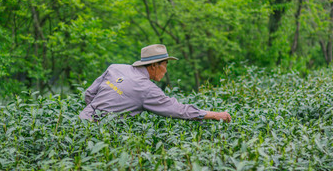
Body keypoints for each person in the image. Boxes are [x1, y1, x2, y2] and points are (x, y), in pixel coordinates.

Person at [79, 44, 231, 122]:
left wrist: (93, 112)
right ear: (154, 66)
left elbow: (89, 94)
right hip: (101, 135)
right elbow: (178, 110)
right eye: (166, 64)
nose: (166, 70)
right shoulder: (146, 89)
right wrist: (215, 115)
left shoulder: (115, 68)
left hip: (80, 121)